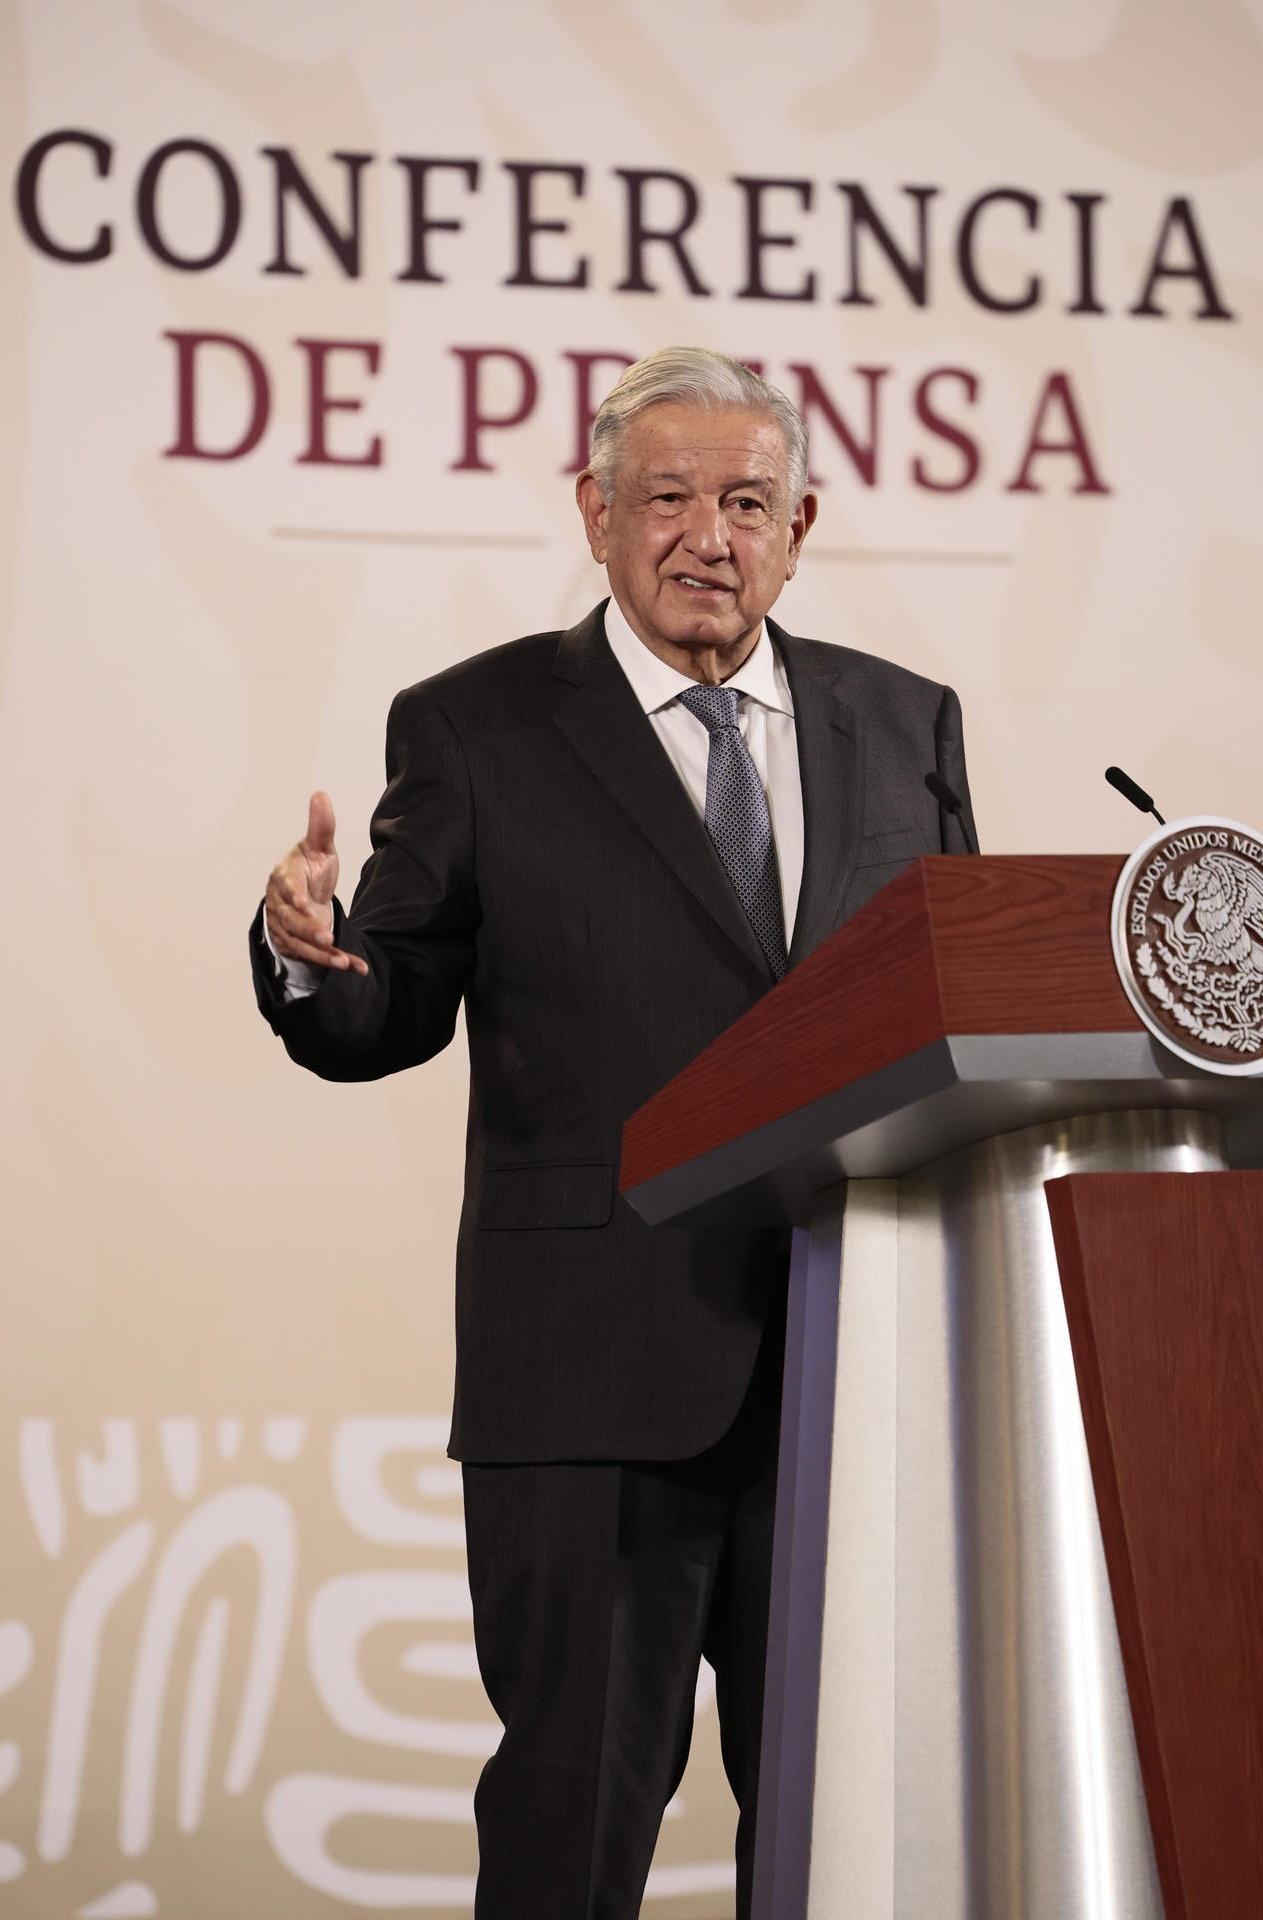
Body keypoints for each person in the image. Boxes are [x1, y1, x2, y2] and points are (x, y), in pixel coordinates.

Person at [251, 346, 975, 1918]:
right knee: (575, 1829)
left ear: (803, 525)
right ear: (592, 513)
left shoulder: (904, 722)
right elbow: (394, 1006)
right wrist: (309, 963)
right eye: (666, 497)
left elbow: (947, 1019)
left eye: (747, 501)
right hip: (589, 1376)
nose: (708, 534)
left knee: (863, 1832)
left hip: (855, 1373)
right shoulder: (479, 727)